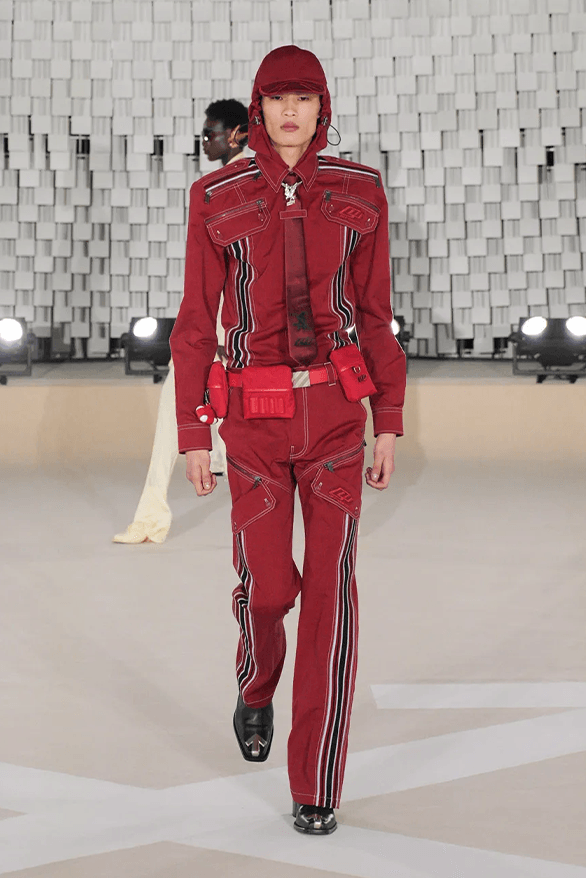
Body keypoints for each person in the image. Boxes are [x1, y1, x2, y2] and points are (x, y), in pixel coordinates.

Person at [170, 46, 406, 834]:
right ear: (258, 109)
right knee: (270, 590)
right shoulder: (217, 196)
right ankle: (256, 681)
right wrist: (193, 432)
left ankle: (316, 784)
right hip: (254, 423)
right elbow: (195, 324)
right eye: (278, 99)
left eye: (305, 98)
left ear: (322, 106)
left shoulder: (360, 191)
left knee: (332, 599)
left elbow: (376, 316)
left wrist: (388, 419)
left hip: (337, 417)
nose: (292, 111)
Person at [113, 100, 249, 545]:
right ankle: (151, 515)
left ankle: (158, 515)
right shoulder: (211, 187)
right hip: (212, 326)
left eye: (210, 134)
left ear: (237, 134)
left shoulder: (248, 183)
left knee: (238, 422)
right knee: (175, 413)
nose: (204, 142)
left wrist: (229, 332)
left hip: (239, 328)